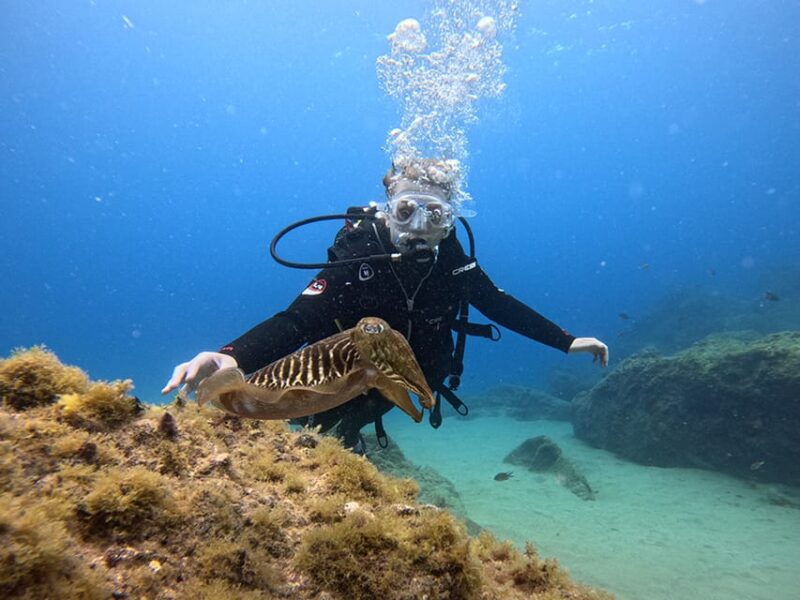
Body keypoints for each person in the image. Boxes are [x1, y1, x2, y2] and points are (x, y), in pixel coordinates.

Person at [163, 159, 608, 453]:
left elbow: (498, 304)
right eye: (407, 210)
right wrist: (231, 355)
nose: (420, 227)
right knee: (317, 427)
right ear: (388, 210)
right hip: (342, 378)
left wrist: (566, 342)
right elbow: (298, 319)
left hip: (411, 378)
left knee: (354, 422)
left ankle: (351, 432)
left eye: (435, 215)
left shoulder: (452, 262)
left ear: (449, 221)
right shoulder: (360, 254)